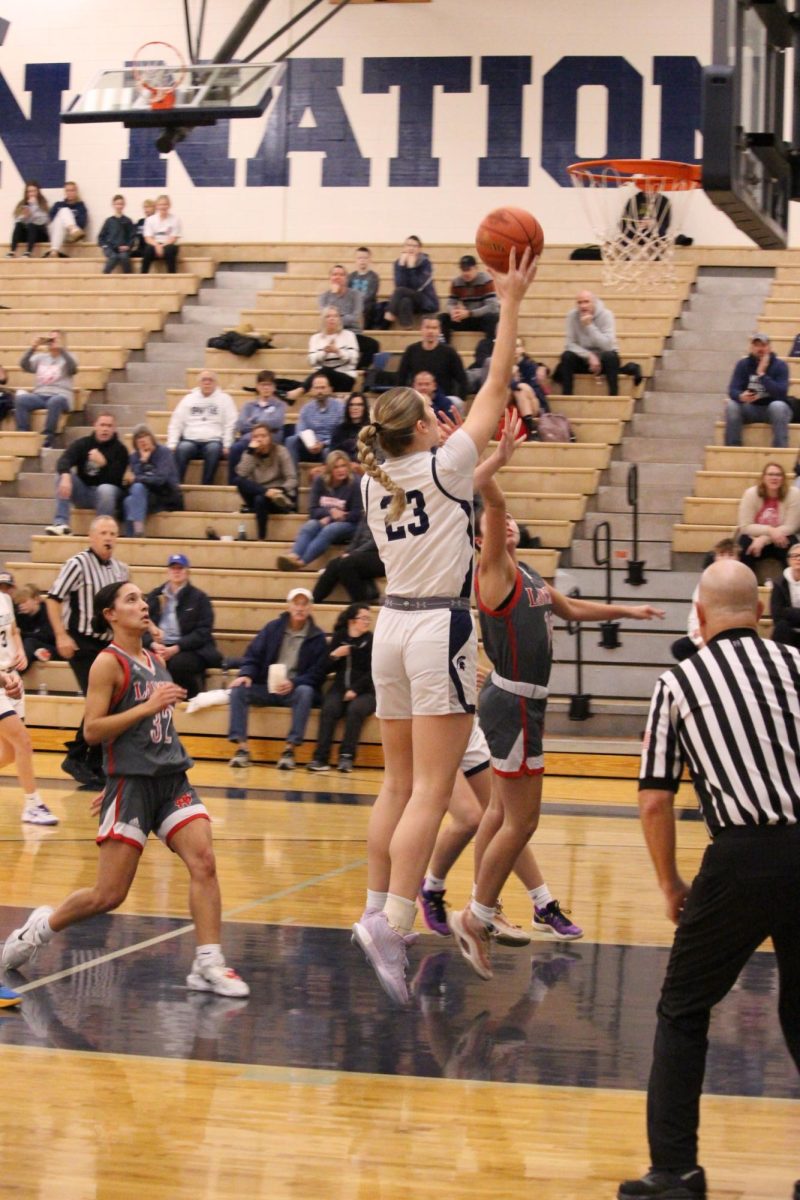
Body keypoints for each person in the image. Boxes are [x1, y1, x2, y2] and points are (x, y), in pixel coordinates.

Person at [349, 247, 539, 1007]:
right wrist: (511, 298)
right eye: (432, 415)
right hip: (439, 632)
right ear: (424, 426)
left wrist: (486, 466)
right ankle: (394, 924)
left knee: (398, 783)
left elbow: (444, 502)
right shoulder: (441, 463)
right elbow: (496, 381)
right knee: (433, 786)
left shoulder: (377, 478)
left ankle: (373, 905)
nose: (440, 418)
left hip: (390, 629)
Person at [619, 558, 800, 1200]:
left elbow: (654, 800)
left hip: (741, 857)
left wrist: (670, 883)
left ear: (698, 617)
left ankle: (676, 1172)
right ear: (762, 612)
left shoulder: (679, 682)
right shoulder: (797, 666)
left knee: (683, 1009)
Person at [448, 462, 663, 981]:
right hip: (515, 701)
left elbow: (568, 608)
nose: (510, 522)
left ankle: (486, 904)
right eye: (500, 523)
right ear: (484, 539)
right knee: (524, 821)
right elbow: (495, 506)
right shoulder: (492, 571)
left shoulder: (528, 575)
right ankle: (475, 916)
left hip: (519, 701)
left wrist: (625, 613)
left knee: (501, 814)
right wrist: (489, 469)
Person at [1, 580, 249, 999]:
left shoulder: (154, 659)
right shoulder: (107, 664)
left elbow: (152, 730)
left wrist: (139, 741)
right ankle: (39, 929)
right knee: (108, 895)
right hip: (132, 788)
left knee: (204, 861)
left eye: (142, 598)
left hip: (171, 780)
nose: (143, 604)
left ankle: (209, 962)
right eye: (130, 599)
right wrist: (121, 774)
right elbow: (93, 730)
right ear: (110, 615)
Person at [46, 516, 129, 788]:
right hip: (81, 642)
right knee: (100, 700)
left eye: (113, 533)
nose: (108, 537)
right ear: (92, 537)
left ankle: (89, 759)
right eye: (103, 532)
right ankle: (79, 756)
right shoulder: (77, 564)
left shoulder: (119, 569)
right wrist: (61, 634)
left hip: (108, 644)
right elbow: (53, 599)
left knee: (109, 701)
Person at [227, 587, 328, 771]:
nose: (300, 608)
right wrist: (246, 674)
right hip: (267, 686)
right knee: (238, 689)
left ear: (310, 608)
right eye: (296, 604)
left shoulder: (318, 637)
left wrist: (294, 683)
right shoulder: (272, 629)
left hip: (294, 689)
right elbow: (252, 655)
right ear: (288, 606)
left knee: (305, 692)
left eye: (304, 604)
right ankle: (242, 749)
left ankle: (289, 750)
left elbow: (318, 673)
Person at [0, 583, 57, 825]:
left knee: (10, 751)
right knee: (23, 740)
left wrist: (21, 651)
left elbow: (12, 631)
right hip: (2, 680)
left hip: (11, 676)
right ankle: (33, 805)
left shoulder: (4, 599)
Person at [307, 604, 376, 773]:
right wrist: (335, 655)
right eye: (363, 618)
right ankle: (320, 758)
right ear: (352, 621)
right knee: (329, 708)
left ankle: (346, 756)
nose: (367, 622)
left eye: (369, 618)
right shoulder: (339, 638)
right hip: (339, 688)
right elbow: (324, 668)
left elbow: (373, 671)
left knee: (355, 709)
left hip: (366, 691)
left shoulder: (371, 641)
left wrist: (355, 690)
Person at [145, 555, 223, 698]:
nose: (176, 571)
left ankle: (187, 700)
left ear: (187, 572)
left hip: (190, 649)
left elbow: (203, 632)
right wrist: (152, 644)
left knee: (180, 664)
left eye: (180, 568)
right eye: (173, 568)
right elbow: (142, 624)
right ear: (168, 571)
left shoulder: (200, 598)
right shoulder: (155, 596)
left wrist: (176, 647)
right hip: (159, 646)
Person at [45, 412, 129, 536]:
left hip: (108, 497)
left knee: (105, 489)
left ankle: (102, 530)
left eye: (109, 426)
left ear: (114, 428)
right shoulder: (83, 444)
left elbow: (117, 480)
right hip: (84, 492)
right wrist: (66, 476)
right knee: (62, 475)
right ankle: (61, 523)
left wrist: (104, 463)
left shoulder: (120, 450)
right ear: (95, 426)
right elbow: (64, 460)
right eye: (102, 425)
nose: (105, 429)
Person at [277, 450, 362, 569]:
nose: (341, 470)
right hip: (327, 520)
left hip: (350, 524)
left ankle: (301, 563)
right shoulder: (320, 481)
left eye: (343, 466)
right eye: (336, 467)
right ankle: (293, 556)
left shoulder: (356, 483)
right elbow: (313, 510)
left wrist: (334, 518)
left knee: (330, 529)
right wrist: (331, 513)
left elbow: (358, 514)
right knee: (310, 525)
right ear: (329, 469)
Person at [671, 538, 739, 661]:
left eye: (731, 555)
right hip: (708, 635)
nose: (726, 559)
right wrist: (700, 642)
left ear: (738, 559)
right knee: (680, 647)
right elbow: (694, 618)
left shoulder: (743, 582)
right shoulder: (705, 582)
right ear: (715, 558)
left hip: (730, 635)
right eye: (722, 555)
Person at [167, 370, 238, 485]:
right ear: (199, 383)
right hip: (190, 440)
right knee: (182, 448)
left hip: (214, 440)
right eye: (204, 380)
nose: (207, 383)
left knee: (213, 449)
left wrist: (227, 445)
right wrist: (172, 444)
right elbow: (176, 422)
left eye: (210, 380)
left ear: (216, 383)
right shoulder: (188, 399)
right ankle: (175, 486)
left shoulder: (225, 399)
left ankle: (206, 485)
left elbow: (230, 424)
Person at [724, 333, 791, 449]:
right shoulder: (743, 364)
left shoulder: (780, 366)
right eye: (757, 345)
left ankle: (780, 449)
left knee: (778, 406)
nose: (760, 349)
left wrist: (762, 375)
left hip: (773, 410)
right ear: (751, 348)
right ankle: (733, 448)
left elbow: (781, 393)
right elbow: (732, 389)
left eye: (763, 345)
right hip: (750, 409)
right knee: (731, 405)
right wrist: (741, 396)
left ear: (769, 348)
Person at [15, 330, 78, 449]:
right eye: (50, 339)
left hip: (60, 395)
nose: (52, 342)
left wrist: (62, 350)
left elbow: (72, 369)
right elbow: (24, 365)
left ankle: (47, 438)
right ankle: (23, 434)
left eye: (55, 339)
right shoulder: (40, 358)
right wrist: (32, 348)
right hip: (40, 394)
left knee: (54, 402)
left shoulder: (70, 357)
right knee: (21, 400)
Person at [736, 460, 800, 577]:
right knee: (744, 545)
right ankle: (746, 585)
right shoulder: (750, 494)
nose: (774, 478)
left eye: (778, 475)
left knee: (793, 546)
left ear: (783, 478)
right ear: (763, 477)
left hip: (781, 538)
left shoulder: (793, 494)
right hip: (754, 538)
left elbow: (792, 526)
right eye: (770, 474)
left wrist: (764, 539)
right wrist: (770, 531)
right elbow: (745, 526)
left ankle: (793, 586)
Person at [234, 422, 297, 541]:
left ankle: (261, 538)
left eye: (263, 436)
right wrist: (251, 452)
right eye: (256, 437)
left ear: (270, 438)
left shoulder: (281, 451)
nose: (259, 439)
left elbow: (292, 478)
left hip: (278, 496)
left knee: (260, 499)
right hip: (258, 492)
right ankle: (264, 493)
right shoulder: (249, 453)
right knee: (239, 480)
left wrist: (280, 490)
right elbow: (241, 474)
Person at [554, 290, 620, 396]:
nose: (583, 306)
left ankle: (614, 395)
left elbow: (607, 346)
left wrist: (589, 326)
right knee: (566, 356)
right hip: (583, 358)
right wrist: (589, 355)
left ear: (594, 302)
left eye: (586, 302)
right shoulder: (572, 316)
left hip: (604, 358)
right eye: (579, 303)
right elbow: (570, 344)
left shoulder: (606, 315)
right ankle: (567, 395)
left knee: (611, 356)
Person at [122, 424, 183, 537]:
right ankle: (137, 534)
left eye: (145, 436)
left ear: (151, 438)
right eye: (138, 438)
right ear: (135, 443)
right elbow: (132, 482)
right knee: (131, 497)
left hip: (165, 495)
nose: (142, 440)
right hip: (145, 497)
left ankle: (134, 536)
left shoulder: (164, 453)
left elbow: (160, 480)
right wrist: (143, 461)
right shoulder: (135, 457)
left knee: (134, 495)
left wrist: (138, 478)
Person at [227, 369, 288, 481]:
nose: (266, 388)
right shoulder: (248, 405)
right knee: (235, 448)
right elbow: (241, 425)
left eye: (269, 385)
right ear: (257, 387)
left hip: (271, 439)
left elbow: (276, 422)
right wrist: (263, 424)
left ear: (274, 387)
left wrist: (254, 420)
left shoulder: (280, 405)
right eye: (263, 384)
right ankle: (234, 482)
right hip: (249, 439)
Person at [311, 512, 384, 604]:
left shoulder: (387, 512)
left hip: (381, 555)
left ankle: (361, 604)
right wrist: (347, 552)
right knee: (334, 563)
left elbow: (379, 541)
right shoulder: (367, 513)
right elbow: (356, 539)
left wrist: (353, 553)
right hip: (360, 554)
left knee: (347, 563)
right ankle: (313, 600)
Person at [396, 316, 468, 400]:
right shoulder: (411, 350)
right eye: (427, 327)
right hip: (417, 400)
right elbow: (401, 377)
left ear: (439, 331)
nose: (430, 331)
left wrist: (462, 399)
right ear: (421, 329)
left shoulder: (449, 352)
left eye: (434, 328)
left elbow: (462, 379)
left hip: (444, 400)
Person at [284, 374, 345, 466]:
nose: (319, 391)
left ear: (330, 389)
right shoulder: (306, 409)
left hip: (330, 445)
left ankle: (326, 478)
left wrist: (323, 443)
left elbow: (341, 434)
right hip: (310, 446)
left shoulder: (340, 407)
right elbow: (300, 431)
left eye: (323, 387)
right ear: (312, 390)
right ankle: (293, 478)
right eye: (316, 388)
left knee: (329, 452)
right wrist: (310, 443)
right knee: (291, 440)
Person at [439, 254, 499, 344]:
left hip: (481, 319)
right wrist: (453, 312)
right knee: (443, 318)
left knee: (492, 318)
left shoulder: (486, 280)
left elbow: (492, 307)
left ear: (476, 268)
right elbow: (450, 303)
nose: (465, 273)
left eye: (468, 270)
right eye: (463, 270)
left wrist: (470, 313)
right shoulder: (456, 282)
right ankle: (443, 348)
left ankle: (490, 347)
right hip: (467, 317)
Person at [385, 235, 439, 327]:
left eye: (414, 246)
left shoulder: (425, 263)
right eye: (408, 245)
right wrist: (402, 266)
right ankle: (407, 329)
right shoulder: (398, 263)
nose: (411, 248)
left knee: (400, 292)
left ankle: (390, 311)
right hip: (410, 301)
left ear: (419, 249)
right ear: (404, 247)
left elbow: (418, 286)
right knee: (405, 300)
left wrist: (411, 268)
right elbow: (399, 285)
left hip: (426, 301)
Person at [305, 307, 359, 393]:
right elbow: (311, 361)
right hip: (322, 380)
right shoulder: (315, 338)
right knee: (324, 372)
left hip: (345, 377)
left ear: (339, 319)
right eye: (328, 316)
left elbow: (354, 360)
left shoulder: (349, 335)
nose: (332, 319)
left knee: (325, 370)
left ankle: (301, 389)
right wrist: (324, 352)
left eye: (335, 316)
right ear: (323, 320)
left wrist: (338, 351)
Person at [14, 583, 58, 668]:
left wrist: (22, 634)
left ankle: (18, 671)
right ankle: (37, 653)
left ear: (36, 600)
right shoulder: (20, 615)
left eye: (24, 602)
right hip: (30, 647)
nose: (21, 606)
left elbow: (47, 636)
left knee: (29, 642)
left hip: (51, 646)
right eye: (19, 603)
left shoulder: (48, 612)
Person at [770, 541, 800, 650]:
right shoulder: (779, 583)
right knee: (781, 627)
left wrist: (788, 611)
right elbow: (777, 614)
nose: (798, 559)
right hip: (787, 631)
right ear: (788, 560)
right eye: (795, 556)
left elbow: (784, 612)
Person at [46, 182, 88, 259]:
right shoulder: (58, 205)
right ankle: (72, 229)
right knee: (64, 211)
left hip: (70, 236)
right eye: (68, 190)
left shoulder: (80, 206)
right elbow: (52, 220)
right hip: (55, 233)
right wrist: (68, 226)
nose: (70, 193)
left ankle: (54, 251)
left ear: (76, 192)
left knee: (64, 211)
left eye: (72, 190)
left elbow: (82, 223)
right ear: (65, 192)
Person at [141, 194, 180, 274]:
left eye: (165, 204)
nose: (163, 207)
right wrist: (157, 245)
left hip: (168, 245)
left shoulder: (175, 219)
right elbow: (148, 238)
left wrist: (162, 246)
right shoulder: (150, 220)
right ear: (157, 206)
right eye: (161, 204)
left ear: (169, 205)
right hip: (154, 244)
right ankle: (143, 276)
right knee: (147, 250)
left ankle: (172, 277)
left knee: (170, 250)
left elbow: (173, 238)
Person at [8, 182, 49, 257]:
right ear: (26, 193)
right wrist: (24, 216)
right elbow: (17, 220)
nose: (32, 194)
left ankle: (28, 252)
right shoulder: (22, 203)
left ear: (38, 192)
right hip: (27, 236)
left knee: (31, 225)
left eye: (34, 191)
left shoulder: (43, 203)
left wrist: (33, 206)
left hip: (39, 235)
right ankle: (12, 251)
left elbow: (44, 220)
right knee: (18, 224)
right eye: (29, 191)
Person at [97, 194, 136, 275]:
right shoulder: (109, 221)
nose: (119, 206)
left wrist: (128, 246)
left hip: (124, 249)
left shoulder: (128, 221)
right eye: (117, 204)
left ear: (124, 205)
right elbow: (101, 237)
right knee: (113, 257)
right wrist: (105, 246)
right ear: (113, 205)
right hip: (110, 248)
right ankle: (104, 275)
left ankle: (129, 277)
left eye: (121, 204)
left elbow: (132, 237)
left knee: (124, 257)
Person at [330, 393, 370, 461]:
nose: (355, 408)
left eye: (359, 405)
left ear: (365, 408)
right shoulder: (339, 429)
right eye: (351, 405)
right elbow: (332, 453)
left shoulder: (371, 429)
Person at [348, 247, 380, 329]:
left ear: (369, 260)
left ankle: (363, 329)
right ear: (355, 260)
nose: (362, 260)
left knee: (368, 306)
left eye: (365, 258)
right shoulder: (351, 277)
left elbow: (371, 295)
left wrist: (358, 303)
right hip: (353, 305)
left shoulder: (373, 276)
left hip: (367, 305)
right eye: (359, 258)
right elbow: (347, 292)